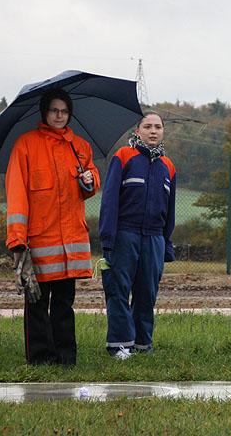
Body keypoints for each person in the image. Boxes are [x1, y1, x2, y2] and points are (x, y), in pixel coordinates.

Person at [5, 88, 100, 365]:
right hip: (38, 242)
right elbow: (17, 194)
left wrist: (89, 180)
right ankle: (41, 357)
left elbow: (92, 179)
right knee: (36, 302)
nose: (59, 116)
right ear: (44, 113)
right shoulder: (25, 145)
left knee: (63, 304)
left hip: (70, 244)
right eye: (54, 110)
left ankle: (66, 356)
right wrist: (17, 240)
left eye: (64, 111)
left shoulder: (79, 147)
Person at [98, 112, 177, 359]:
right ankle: (121, 346)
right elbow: (109, 202)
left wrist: (166, 243)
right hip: (125, 234)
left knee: (147, 292)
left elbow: (170, 210)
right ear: (137, 131)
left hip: (154, 238)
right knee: (118, 290)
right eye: (147, 126)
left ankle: (143, 345)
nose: (153, 131)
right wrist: (108, 239)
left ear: (163, 131)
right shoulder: (123, 157)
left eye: (158, 127)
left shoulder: (169, 166)